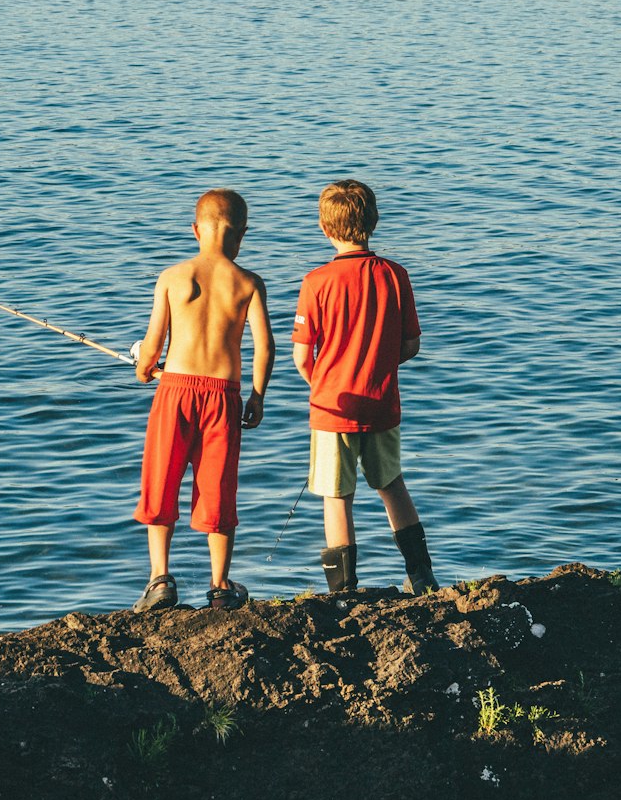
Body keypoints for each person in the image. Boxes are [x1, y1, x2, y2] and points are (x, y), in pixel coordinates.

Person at [291, 178, 437, 595]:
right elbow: (411, 344)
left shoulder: (316, 282)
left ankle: (343, 590)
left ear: (323, 227)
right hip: (382, 402)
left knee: (337, 496)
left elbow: (303, 356)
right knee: (392, 484)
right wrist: (376, 366)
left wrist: (323, 382)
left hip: (333, 407)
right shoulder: (395, 274)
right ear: (373, 222)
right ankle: (422, 576)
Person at [132, 188, 275, 612]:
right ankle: (220, 585)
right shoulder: (248, 283)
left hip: (174, 391)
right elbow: (265, 347)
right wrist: (258, 396)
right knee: (218, 488)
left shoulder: (174, 277)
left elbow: (154, 342)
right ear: (242, 235)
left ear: (195, 230)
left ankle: (160, 579)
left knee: (161, 480)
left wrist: (145, 367)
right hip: (223, 397)